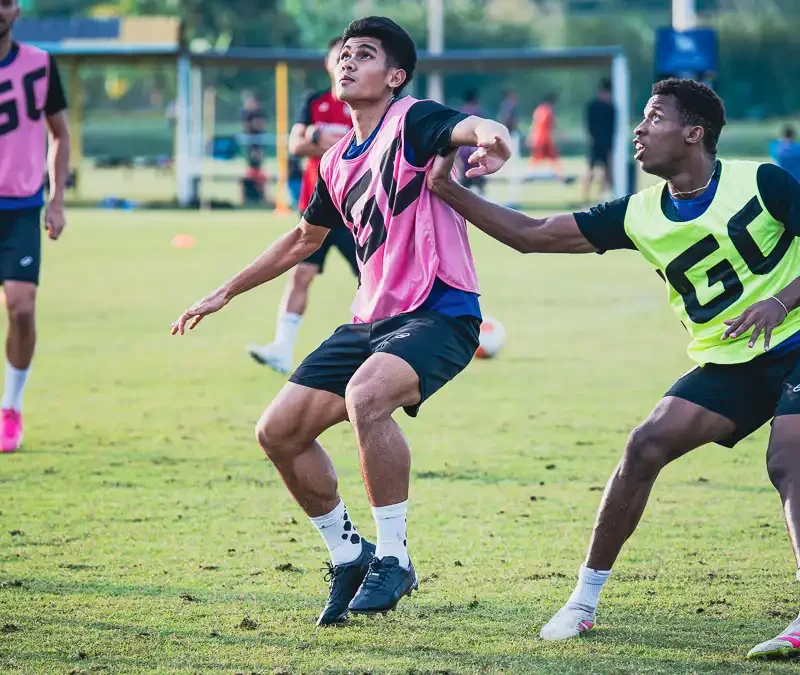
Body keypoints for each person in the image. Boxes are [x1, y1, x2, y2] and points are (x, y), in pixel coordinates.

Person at [427, 77, 800, 660]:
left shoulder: (763, 181)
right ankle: (582, 602)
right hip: (731, 361)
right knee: (645, 445)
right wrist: (448, 190)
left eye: (654, 118)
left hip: (797, 341)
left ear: (694, 132)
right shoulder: (638, 213)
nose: (639, 129)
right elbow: (532, 236)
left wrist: (780, 301)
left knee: (789, 457)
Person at [172, 16, 510, 625]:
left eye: (365, 54)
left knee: (366, 396)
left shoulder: (412, 120)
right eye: (344, 54)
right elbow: (303, 239)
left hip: (440, 312)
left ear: (395, 75)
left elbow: (474, 127)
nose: (348, 62)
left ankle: (394, 556)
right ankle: (347, 553)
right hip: (369, 320)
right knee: (277, 433)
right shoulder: (336, 164)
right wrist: (224, 291)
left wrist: (495, 139)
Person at [247, 37, 356, 375]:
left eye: (352, 58)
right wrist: (318, 140)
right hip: (318, 208)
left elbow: (367, 148)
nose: (345, 64)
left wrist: (320, 139)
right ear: (327, 63)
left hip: (357, 210)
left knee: (379, 280)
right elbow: (296, 145)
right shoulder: (314, 102)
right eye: (339, 57)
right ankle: (281, 349)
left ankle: (414, 340)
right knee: (301, 275)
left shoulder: (368, 104)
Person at [0, 0, 70, 453]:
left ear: (17, 10)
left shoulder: (40, 64)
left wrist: (56, 198)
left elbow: (59, 132)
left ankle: (11, 407)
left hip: (22, 205)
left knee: (22, 308)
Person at [582, 78, 616, 202]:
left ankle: (601, 196)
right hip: (596, 142)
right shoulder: (595, 106)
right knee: (590, 170)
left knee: (608, 172)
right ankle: (586, 196)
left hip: (606, 144)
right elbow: (589, 125)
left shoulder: (610, 107)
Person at [455, 89, 486, 194]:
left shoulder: (460, 111)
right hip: (475, 148)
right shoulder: (478, 112)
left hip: (462, 148)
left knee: (464, 179)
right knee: (479, 177)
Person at [528, 92, 563, 179]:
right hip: (545, 139)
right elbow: (550, 125)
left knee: (536, 159)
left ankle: (528, 176)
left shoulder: (538, 110)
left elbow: (535, 125)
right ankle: (561, 177)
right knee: (552, 158)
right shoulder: (548, 111)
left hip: (538, 138)